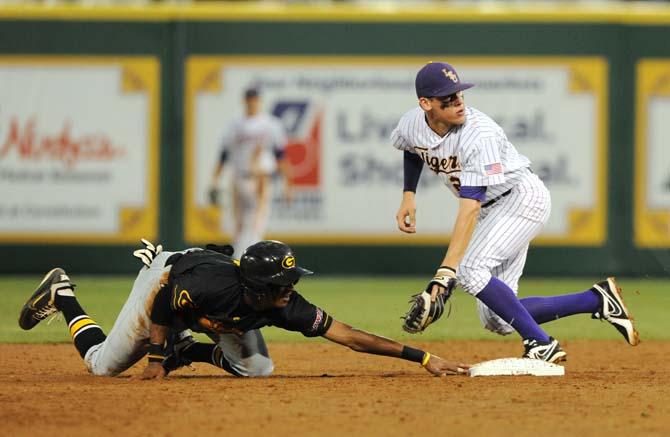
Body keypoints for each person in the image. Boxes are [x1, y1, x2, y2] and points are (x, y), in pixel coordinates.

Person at [392, 61, 640, 363]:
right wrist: (409, 194)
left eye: (459, 94)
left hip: (520, 200)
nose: (458, 102)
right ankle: (596, 300)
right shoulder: (411, 123)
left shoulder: (478, 134)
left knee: (469, 270)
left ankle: (541, 343)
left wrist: (445, 274)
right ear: (425, 104)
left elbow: (469, 209)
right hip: (494, 212)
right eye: (448, 98)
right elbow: (412, 147)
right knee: (496, 319)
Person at [18, 239, 469, 379]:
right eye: (281, 286)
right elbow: (160, 305)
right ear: (257, 289)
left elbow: (348, 335)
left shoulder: (283, 305)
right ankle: (63, 294)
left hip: (201, 292)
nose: (290, 292)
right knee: (103, 367)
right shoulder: (213, 289)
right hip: (167, 279)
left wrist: (424, 357)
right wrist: (154, 359)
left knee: (257, 370)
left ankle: (185, 352)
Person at [209, 87, 292, 258]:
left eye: (254, 99)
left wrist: (287, 184)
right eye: (249, 98)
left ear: (259, 101)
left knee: (256, 224)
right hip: (239, 178)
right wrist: (215, 180)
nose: (252, 102)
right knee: (238, 225)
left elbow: (280, 156)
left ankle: (248, 261)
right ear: (244, 101)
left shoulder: (270, 124)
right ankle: (238, 261)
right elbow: (224, 154)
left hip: (261, 178)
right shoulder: (235, 125)